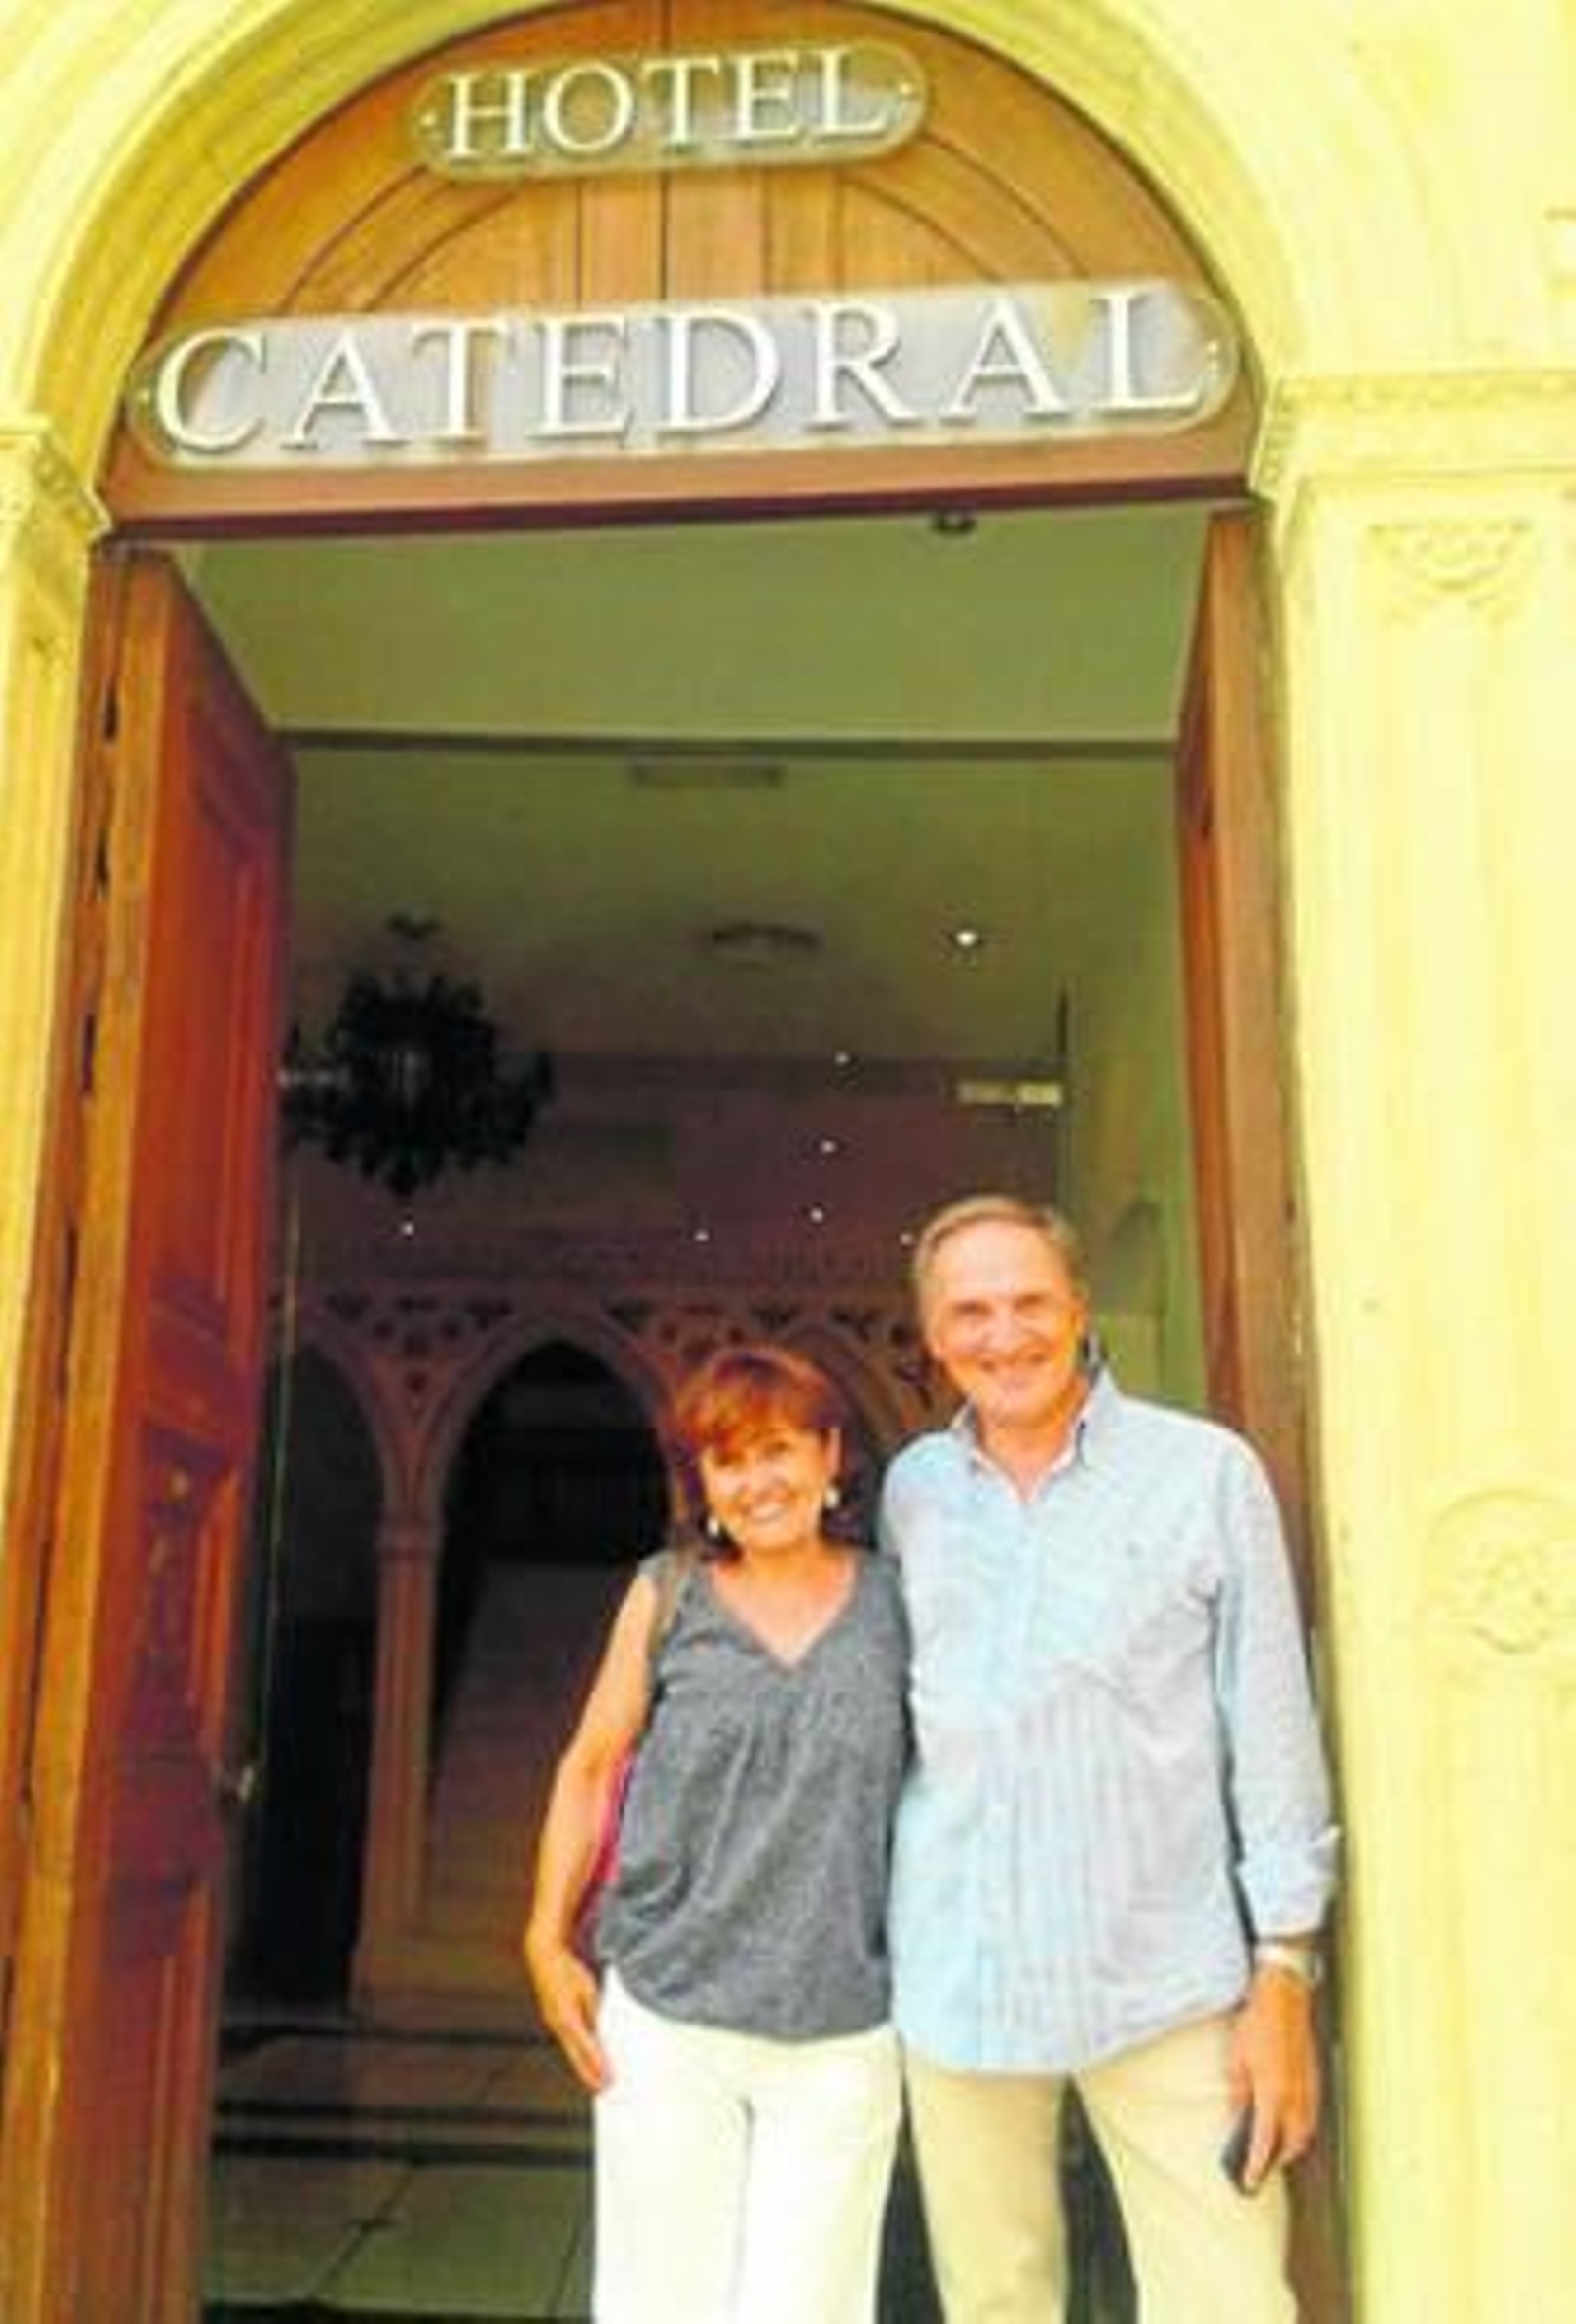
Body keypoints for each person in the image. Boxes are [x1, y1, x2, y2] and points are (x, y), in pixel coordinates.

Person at [880, 1194, 1338, 2323]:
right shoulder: (912, 1497)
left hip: (1166, 1982)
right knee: (993, 2303)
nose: (1005, 1334)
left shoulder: (1203, 1475)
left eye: (1030, 1300)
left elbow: (1272, 1728)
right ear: (933, 1337)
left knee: (1228, 2302)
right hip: (963, 1981)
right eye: (970, 1311)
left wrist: (1283, 1973)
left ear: (1078, 1307)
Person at [523, 1342, 910, 2324]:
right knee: (662, 2303)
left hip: (842, 2017)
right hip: (668, 2012)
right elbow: (591, 1764)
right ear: (702, 1481)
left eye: (777, 1449)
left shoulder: (898, 1603)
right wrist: (543, 1935)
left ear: (831, 1458)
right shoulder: (668, 1592)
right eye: (727, 1460)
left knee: (808, 2309)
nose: (756, 1481)